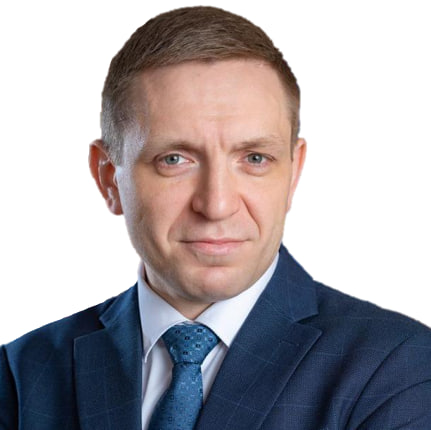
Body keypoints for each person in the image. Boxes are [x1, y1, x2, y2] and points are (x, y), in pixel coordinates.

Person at [1, 6, 431, 429]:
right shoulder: (20, 377)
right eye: (174, 159)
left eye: (255, 158)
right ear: (109, 178)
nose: (216, 204)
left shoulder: (398, 370)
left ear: (293, 173)